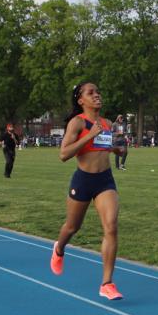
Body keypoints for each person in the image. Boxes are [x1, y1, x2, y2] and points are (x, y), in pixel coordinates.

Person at [50, 82, 124, 300]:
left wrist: (116, 149)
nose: (97, 95)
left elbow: (103, 147)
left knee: (111, 227)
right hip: (83, 180)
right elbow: (64, 154)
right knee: (72, 226)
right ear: (81, 100)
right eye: (91, 93)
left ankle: (107, 283)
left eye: (97, 91)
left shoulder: (107, 123)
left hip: (105, 181)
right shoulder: (78, 122)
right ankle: (59, 248)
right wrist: (89, 135)